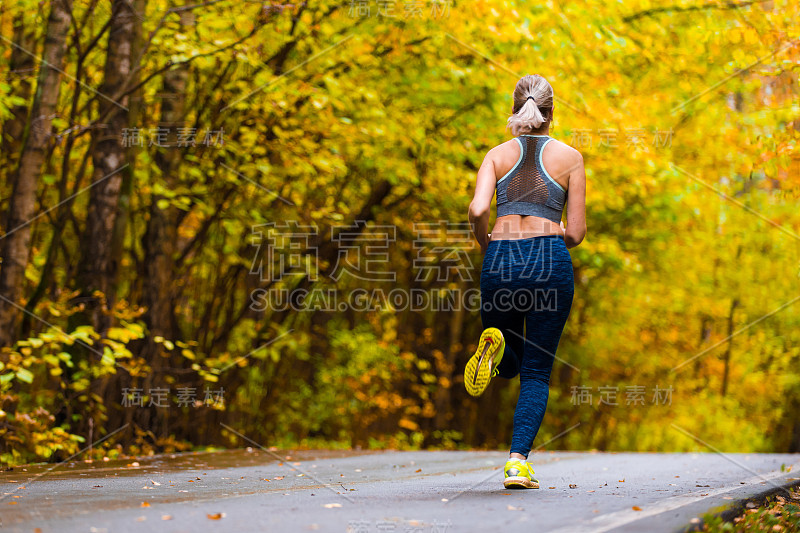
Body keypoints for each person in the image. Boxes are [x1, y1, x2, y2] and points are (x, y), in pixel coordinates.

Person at [464, 74, 586, 489]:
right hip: (550, 261)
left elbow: (478, 208)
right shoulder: (570, 158)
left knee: (509, 350)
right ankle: (517, 463)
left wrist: (487, 244)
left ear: (516, 107)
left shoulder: (496, 155)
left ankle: (495, 352)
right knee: (536, 372)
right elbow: (576, 234)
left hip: (500, 260)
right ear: (552, 112)